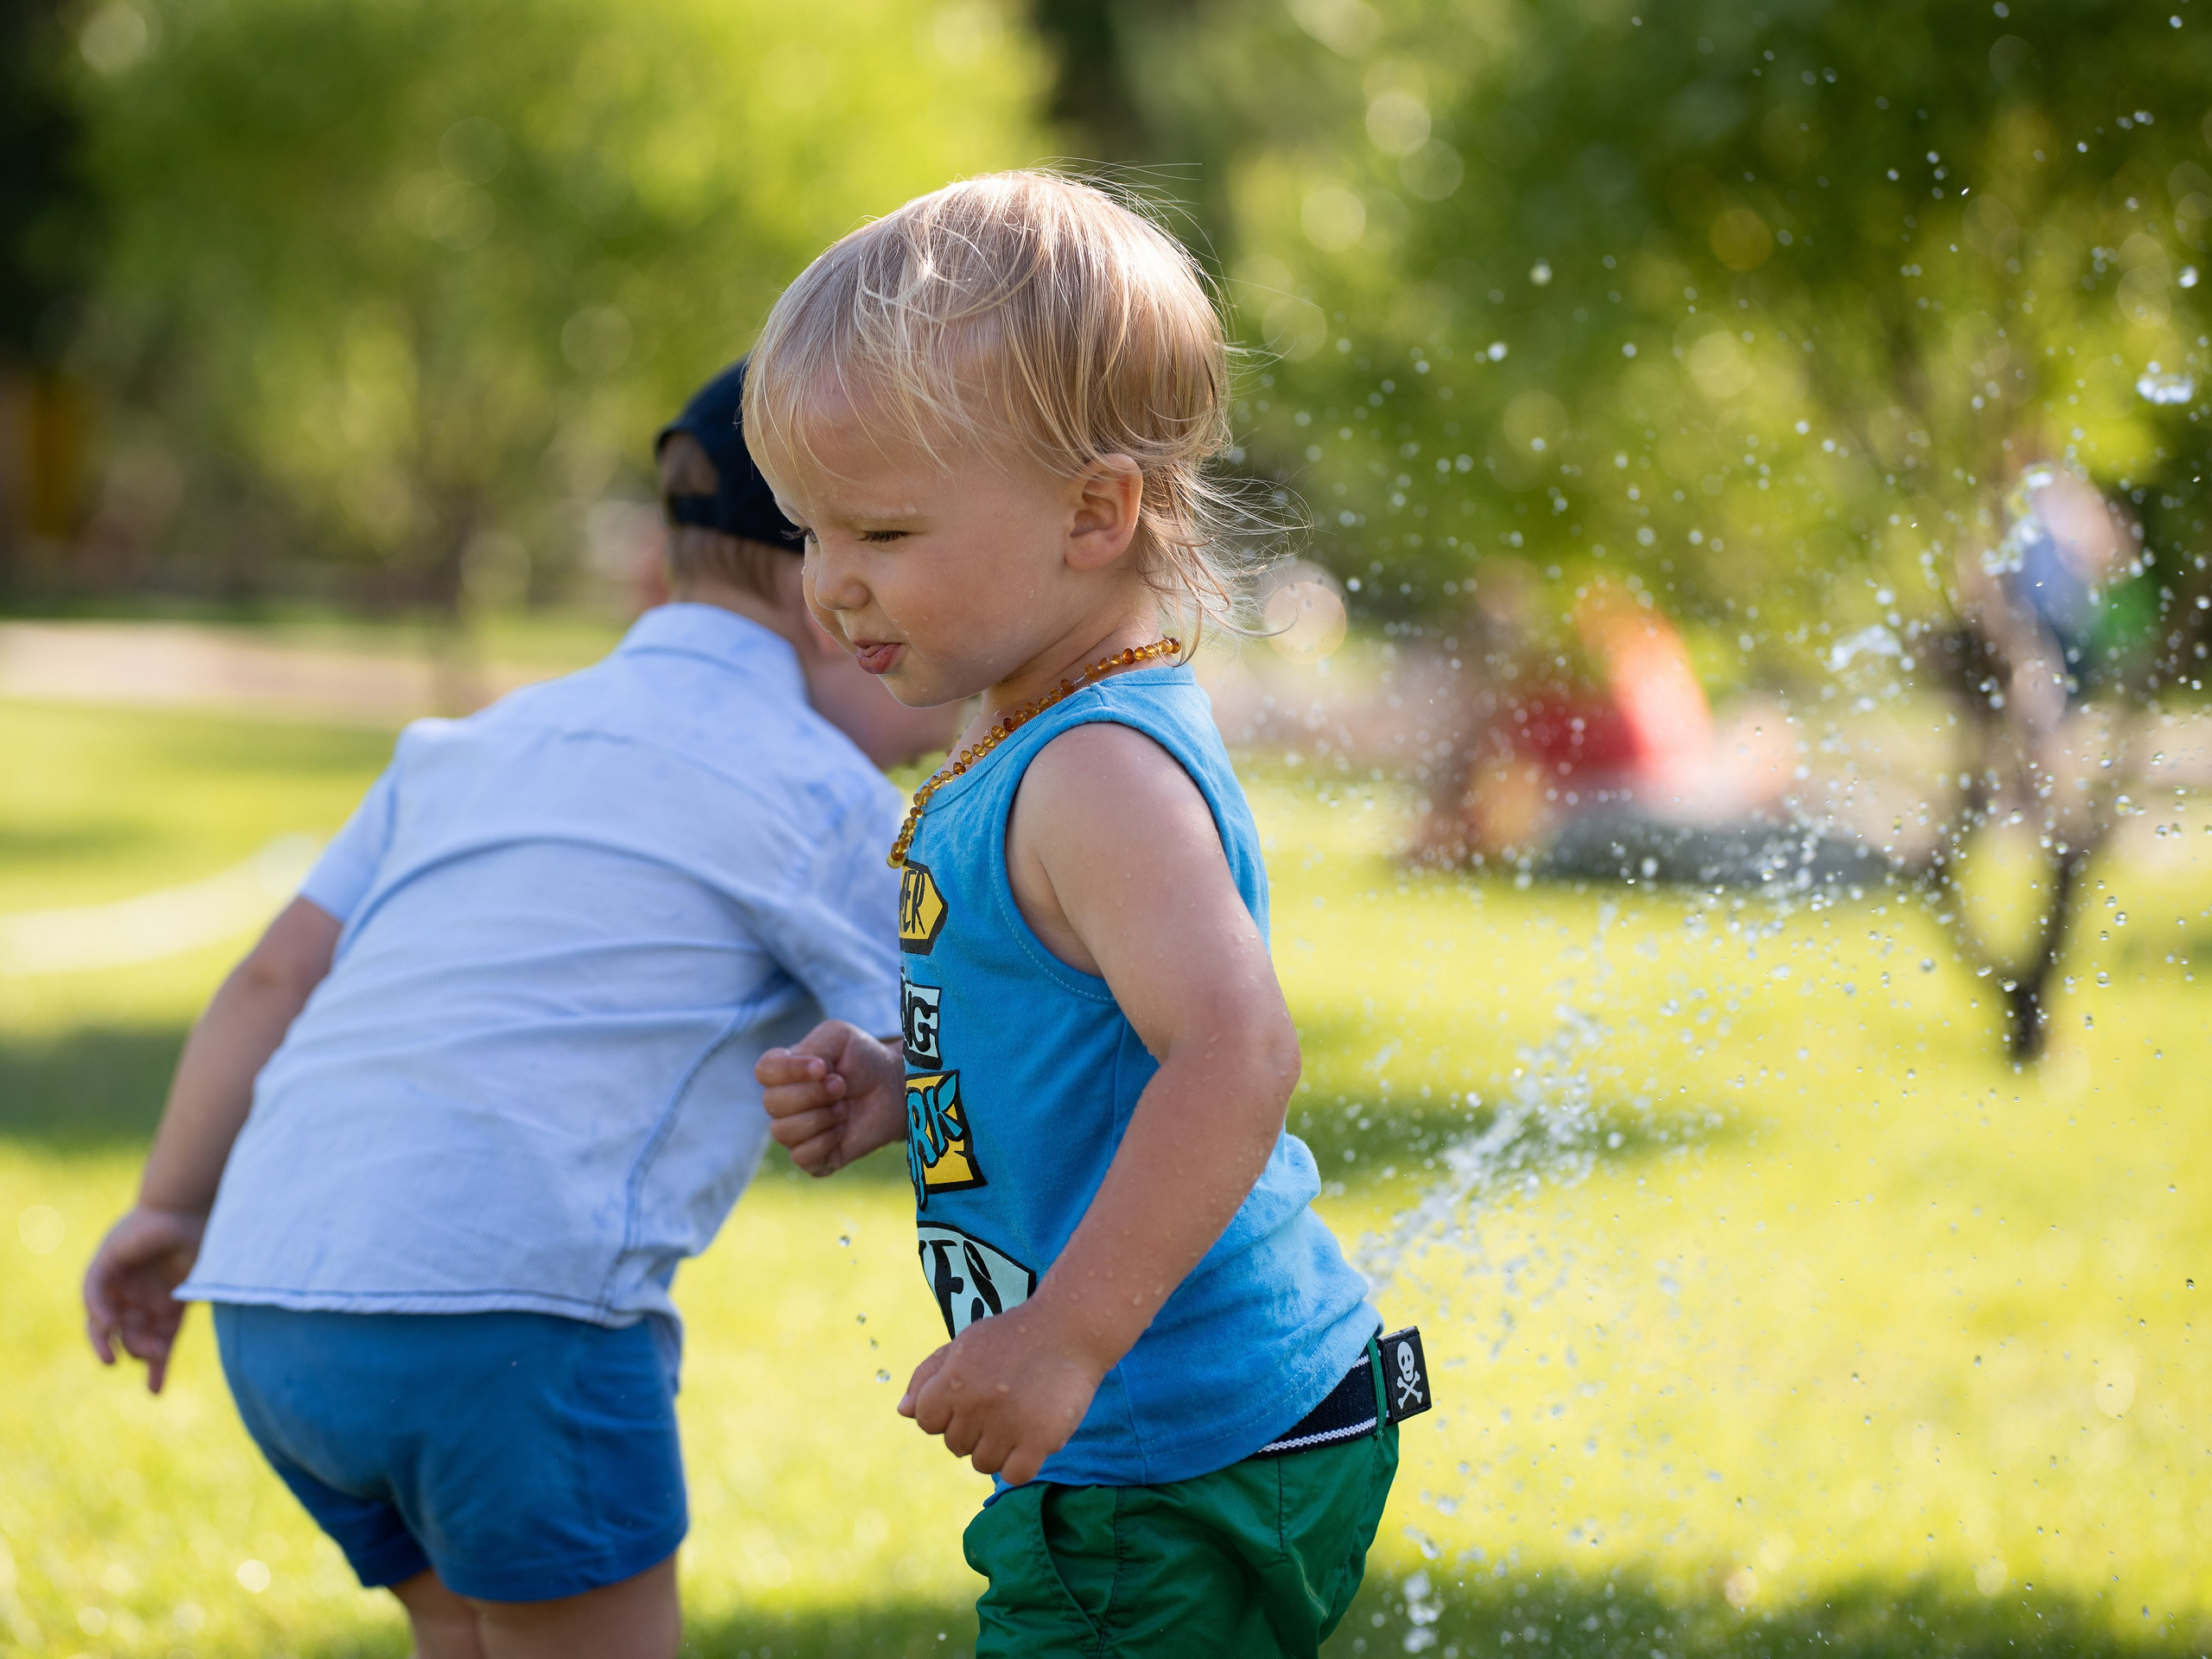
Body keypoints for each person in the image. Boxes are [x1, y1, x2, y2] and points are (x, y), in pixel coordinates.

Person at [81, 359, 953, 1659]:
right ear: (831, 595)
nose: (936, 695)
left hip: (275, 1303)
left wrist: (168, 1206)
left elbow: (273, 977)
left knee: (475, 1633)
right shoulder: (815, 790)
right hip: (509, 1323)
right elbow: (971, 1031)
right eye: (912, 640)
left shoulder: (472, 743)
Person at [749, 173, 1422, 1657]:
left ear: (1094, 515)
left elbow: (1234, 1052)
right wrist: (902, 1079)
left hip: (1169, 1446)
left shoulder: (1095, 771)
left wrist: (1070, 1337)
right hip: (1180, 1429)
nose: (831, 588)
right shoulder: (1032, 736)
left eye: (882, 534)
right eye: (808, 534)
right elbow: (1088, 1021)